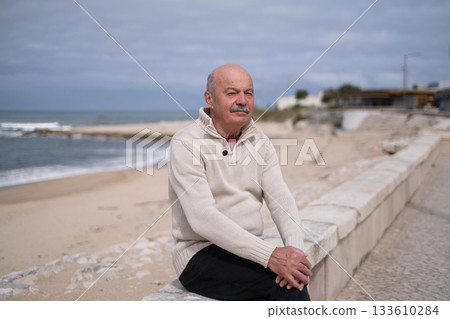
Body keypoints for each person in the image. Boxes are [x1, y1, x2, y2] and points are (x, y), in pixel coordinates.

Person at [168, 64, 312, 301]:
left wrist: (295, 253)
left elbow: (280, 198)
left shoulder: (260, 140)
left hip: (248, 249)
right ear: (210, 99)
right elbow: (202, 217)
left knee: (293, 277)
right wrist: (271, 256)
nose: (242, 100)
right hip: (200, 253)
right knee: (284, 287)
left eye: (249, 92)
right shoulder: (186, 143)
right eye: (232, 93)